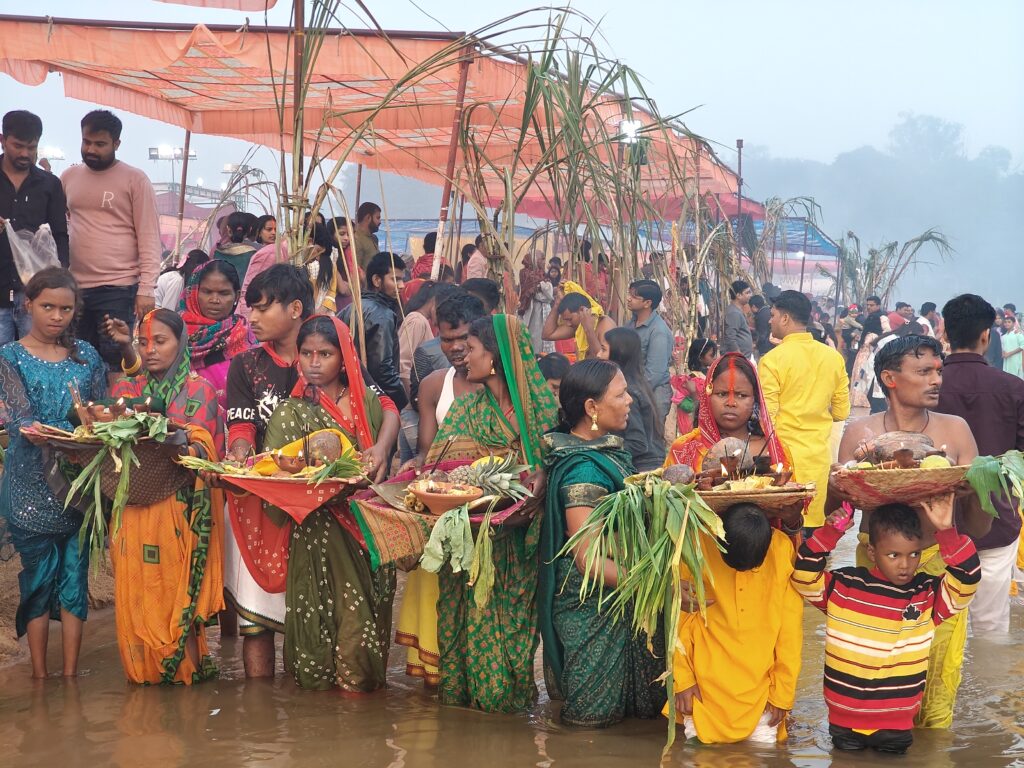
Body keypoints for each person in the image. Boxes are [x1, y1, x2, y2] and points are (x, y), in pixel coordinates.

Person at [837, 334, 992, 729]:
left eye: (938, 371)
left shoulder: (955, 431)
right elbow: (834, 511)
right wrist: (847, 482)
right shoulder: (860, 434)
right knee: (873, 680)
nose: (936, 380)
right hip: (874, 569)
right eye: (923, 372)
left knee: (938, 685)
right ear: (889, 378)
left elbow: (977, 527)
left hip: (940, 568)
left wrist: (973, 492)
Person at [424, 314, 558, 712]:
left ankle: (506, 717)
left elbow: (556, 465)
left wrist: (543, 475)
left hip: (518, 545)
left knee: (513, 638)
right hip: (468, 542)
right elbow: (439, 468)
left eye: (473, 350)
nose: (464, 358)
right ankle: (467, 723)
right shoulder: (466, 409)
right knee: (461, 626)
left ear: (496, 357)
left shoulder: (542, 414)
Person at [269, 315, 399, 691]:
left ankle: (358, 720)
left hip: (365, 528)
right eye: (306, 353)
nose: (313, 362)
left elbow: (380, 453)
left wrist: (381, 452)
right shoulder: (289, 412)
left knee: (362, 629)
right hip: (316, 531)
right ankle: (322, 723)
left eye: (324, 353)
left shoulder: (367, 403)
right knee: (323, 625)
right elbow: (274, 469)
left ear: (344, 359)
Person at [793, 501, 980, 754]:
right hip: (843, 722)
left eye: (913, 554)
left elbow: (968, 579)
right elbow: (803, 576)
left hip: (896, 725)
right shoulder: (845, 585)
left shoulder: (926, 595)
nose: (905, 565)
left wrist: (946, 532)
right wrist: (830, 532)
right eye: (894, 555)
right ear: (871, 552)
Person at [539, 359, 666, 727]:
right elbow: (589, 561)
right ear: (591, 408)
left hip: (619, 590)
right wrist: (656, 585)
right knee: (590, 723)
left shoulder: (606, 452)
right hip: (592, 606)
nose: (631, 400)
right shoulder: (583, 469)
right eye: (621, 394)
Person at [104, 309, 225, 684]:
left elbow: (202, 451)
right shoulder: (128, 390)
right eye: (145, 343)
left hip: (179, 509)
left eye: (161, 341)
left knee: (177, 601)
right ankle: (145, 680)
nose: (151, 350)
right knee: (137, 596)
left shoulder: (199, 389)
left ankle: (186, 684)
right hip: (133, 509)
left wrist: (175, 436)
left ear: (181, 342)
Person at [0, 267, 106, 678]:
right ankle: (40, 677)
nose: (56, 316)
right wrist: (67, 427)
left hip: (79, 485)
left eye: (65, 308)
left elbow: (99, 413)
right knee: (38, 580)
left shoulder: (86, 356)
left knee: (75, 578)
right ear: (28, 304)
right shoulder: (9, 357)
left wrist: (89, 425)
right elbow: (22, 417)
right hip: (28, 482)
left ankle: (70, 677)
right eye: (48, 306)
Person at [223, 264, 313, 677]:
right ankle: (257, 719)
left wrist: (382, 450)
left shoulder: (328, 355)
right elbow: (241, 425)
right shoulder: (245, 365)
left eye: (261, 309)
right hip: (259, 500)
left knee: (311, 618)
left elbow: (378, 405)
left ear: (295, 308)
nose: (251, 319)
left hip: (315, 501)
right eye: (250, 309)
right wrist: (239, 451)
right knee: (255, 620)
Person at [394, 292, 486, 686]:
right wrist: (412, 466)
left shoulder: (507, 387)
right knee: (436, 610)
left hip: (491, 515)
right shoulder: (434, 385)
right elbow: (427, 454)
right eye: (447, 339)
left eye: (464, 338)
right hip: (442, 513)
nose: (455, 348)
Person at [671, 503, 803, 744]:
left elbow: (790, 631)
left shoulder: (781, 548)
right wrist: (683, 680)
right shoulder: (696, 545)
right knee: (697, 753)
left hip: (761, 693)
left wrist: (783, 694)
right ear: (719, 539)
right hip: (704, 691)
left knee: (763, 754)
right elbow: (678, 619)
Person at [935, 294, 1024, 633]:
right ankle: (989, 688)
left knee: (940, 626)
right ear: (986, 335)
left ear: (945, 333)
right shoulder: (1014, 389)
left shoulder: (926, 387)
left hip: (935, 526)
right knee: (991, 625)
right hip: (996, 517)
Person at [61, 110, 161, 367]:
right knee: (76, 360)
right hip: (75, 289)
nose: (91, 149)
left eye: (100, 144)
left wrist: (147, 288)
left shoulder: (135, 179)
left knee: (115, 360)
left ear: (116, 144)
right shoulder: (69, 177)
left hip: (118, 288)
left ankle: (116, 407)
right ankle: (85, 409)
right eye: (86, 142)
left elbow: (149, 235)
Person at [759, 290, 850, 529]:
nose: (770, 320)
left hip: (783, 461)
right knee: (812, 531)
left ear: (785, 318)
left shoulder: (772, 360)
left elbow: (766, 417)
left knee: (785, 531)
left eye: (773, 315)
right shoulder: (833, 358)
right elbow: (841, 413)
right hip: (818, 458)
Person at [0, 110, 69, 344]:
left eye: (31, 147)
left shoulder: (50, 184)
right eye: (18, 146)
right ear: (2, 140)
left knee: (37, 362)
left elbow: (60, 235)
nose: (25, 154)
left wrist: (61, 282)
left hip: (35, 296)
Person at [179, 260, 256, 407]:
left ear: (236, 296)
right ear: (193, 292)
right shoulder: (175, 332)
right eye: (207, 292)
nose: (214, 300)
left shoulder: (244, 334)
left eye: (224, 293)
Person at [339, 252, 408, 410]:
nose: (402, 285)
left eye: (402, 279)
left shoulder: (351, 307)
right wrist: (401, 400)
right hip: (372, 399)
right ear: (377, 280)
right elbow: (383, 369)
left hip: (348, 394)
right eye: (395, 279)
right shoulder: (382, 315)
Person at [606, 327, 665, 470]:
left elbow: (638, 443)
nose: (597, 354)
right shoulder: (636, 382)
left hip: (643, 468)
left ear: (617, 355)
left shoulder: (627, 392)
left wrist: (603, 453)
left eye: (603, 349)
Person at [625, 279, 673, 423]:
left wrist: (631, 394)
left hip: (652, 396)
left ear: (647, 303)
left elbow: (654, 374)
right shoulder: (630, 324)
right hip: (635, 391)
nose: (628, 298)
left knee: (651, 441)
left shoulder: (658, 331)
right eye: (629, 294)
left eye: (634, 297)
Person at [543, 286, 615, 360]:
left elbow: (604, 360)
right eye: (566, 320)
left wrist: (588, 330)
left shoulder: (605, 323)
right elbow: (548, 335)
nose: (568, 324)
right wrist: (557, 304)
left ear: (582, 310)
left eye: (570, 319)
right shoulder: (577, 327)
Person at [397, 280, 438, 396]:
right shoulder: (417, 321)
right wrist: (412, 399)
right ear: (433, 301)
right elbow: (403, 364)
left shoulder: (422, 320)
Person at [671, 338, 716, 436]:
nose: (714, 357)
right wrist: (694, 393)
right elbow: (696, 405)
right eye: (711, 355)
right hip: (694, 424)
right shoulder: (693, 379)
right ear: (700, 357)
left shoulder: (706, 376)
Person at [518, 252, 554, 354]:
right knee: (534, 338)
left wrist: (542, 287)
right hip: (533, 311)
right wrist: (543, 288)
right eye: (542, 259)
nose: (544, 262)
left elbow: (548, 295)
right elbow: (541, 296)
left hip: (544, 310)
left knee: (544, 336)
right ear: (534, 261)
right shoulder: (525, 274)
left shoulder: (541, 273)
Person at [304, 221, 340, 314]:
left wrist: (322, 310)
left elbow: (332, 290)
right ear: (309, 241)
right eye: (318, 250)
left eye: (321, 252)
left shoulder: (330, 259)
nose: (317, 256)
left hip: (323, 312)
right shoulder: (295, 263)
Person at [213, 211, 259, 285]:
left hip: (222, 293)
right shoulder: (254, 253)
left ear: (228, 229)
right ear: (250, 230)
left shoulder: (217, 252)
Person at [721, 280, 754, 359]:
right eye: (747, 293)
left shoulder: (737, 311)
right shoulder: (734, 313)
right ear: (738, 295)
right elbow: (730, 338)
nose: (750, 295)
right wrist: (739, 357)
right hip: (737, 360)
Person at [352, 201, 381, 272]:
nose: (380, 222)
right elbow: (355, 270)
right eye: (378, 218)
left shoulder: (374, 238)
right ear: (368, 217)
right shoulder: (356, 240)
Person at [999, 310, 1024, 378]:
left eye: (1009, 322)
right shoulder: (1003, 336)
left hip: (1015, 360)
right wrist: (1003, 353)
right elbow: (1003, 347)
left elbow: (1022, 346)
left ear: (1013, 323)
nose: (1007, 324)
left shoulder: (1018, 334)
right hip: (1006, 360)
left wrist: (1010, 353)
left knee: (1015, 378)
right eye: (1005, 322)